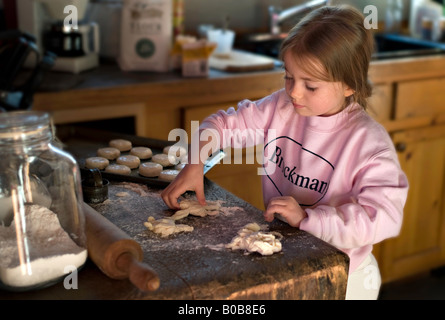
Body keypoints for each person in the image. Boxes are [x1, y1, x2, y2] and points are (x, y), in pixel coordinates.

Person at [161, 5, 408, 300]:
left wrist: (308, 217)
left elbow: (383, 216)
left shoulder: (368, 143)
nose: (294, 92)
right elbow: (224, 125)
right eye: (289, 76)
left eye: (310, 86)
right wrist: (195, 162)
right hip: (289, 259)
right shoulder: (281, 107)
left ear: (349, 85)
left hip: (345, 275)